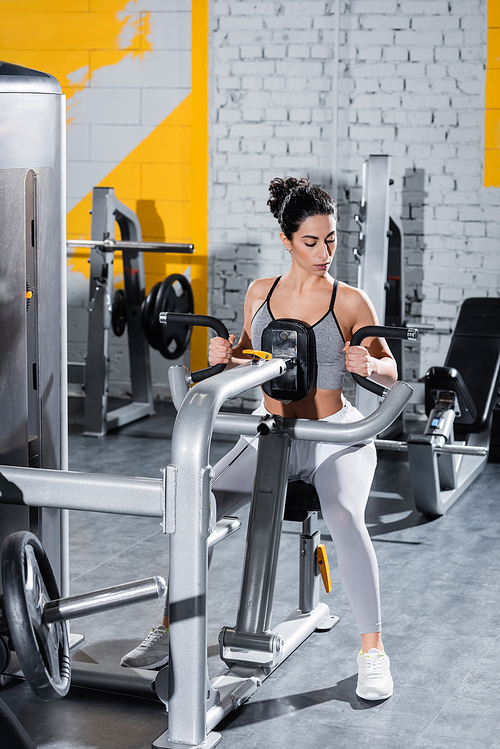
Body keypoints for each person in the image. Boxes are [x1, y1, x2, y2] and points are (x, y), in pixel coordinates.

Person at [121, 176, 397, 701]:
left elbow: (389, 366)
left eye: (332, 239)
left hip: (333, 434)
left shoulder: (351, 300)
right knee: (195, 503)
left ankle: (372, 650)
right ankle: (169, 627)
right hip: (267, 431)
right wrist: (225, 357)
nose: (324, 252)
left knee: (342, 514)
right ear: (287, 240)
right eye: (312, 241)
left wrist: (373, 367)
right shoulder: (261, 293)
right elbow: (251, 356)